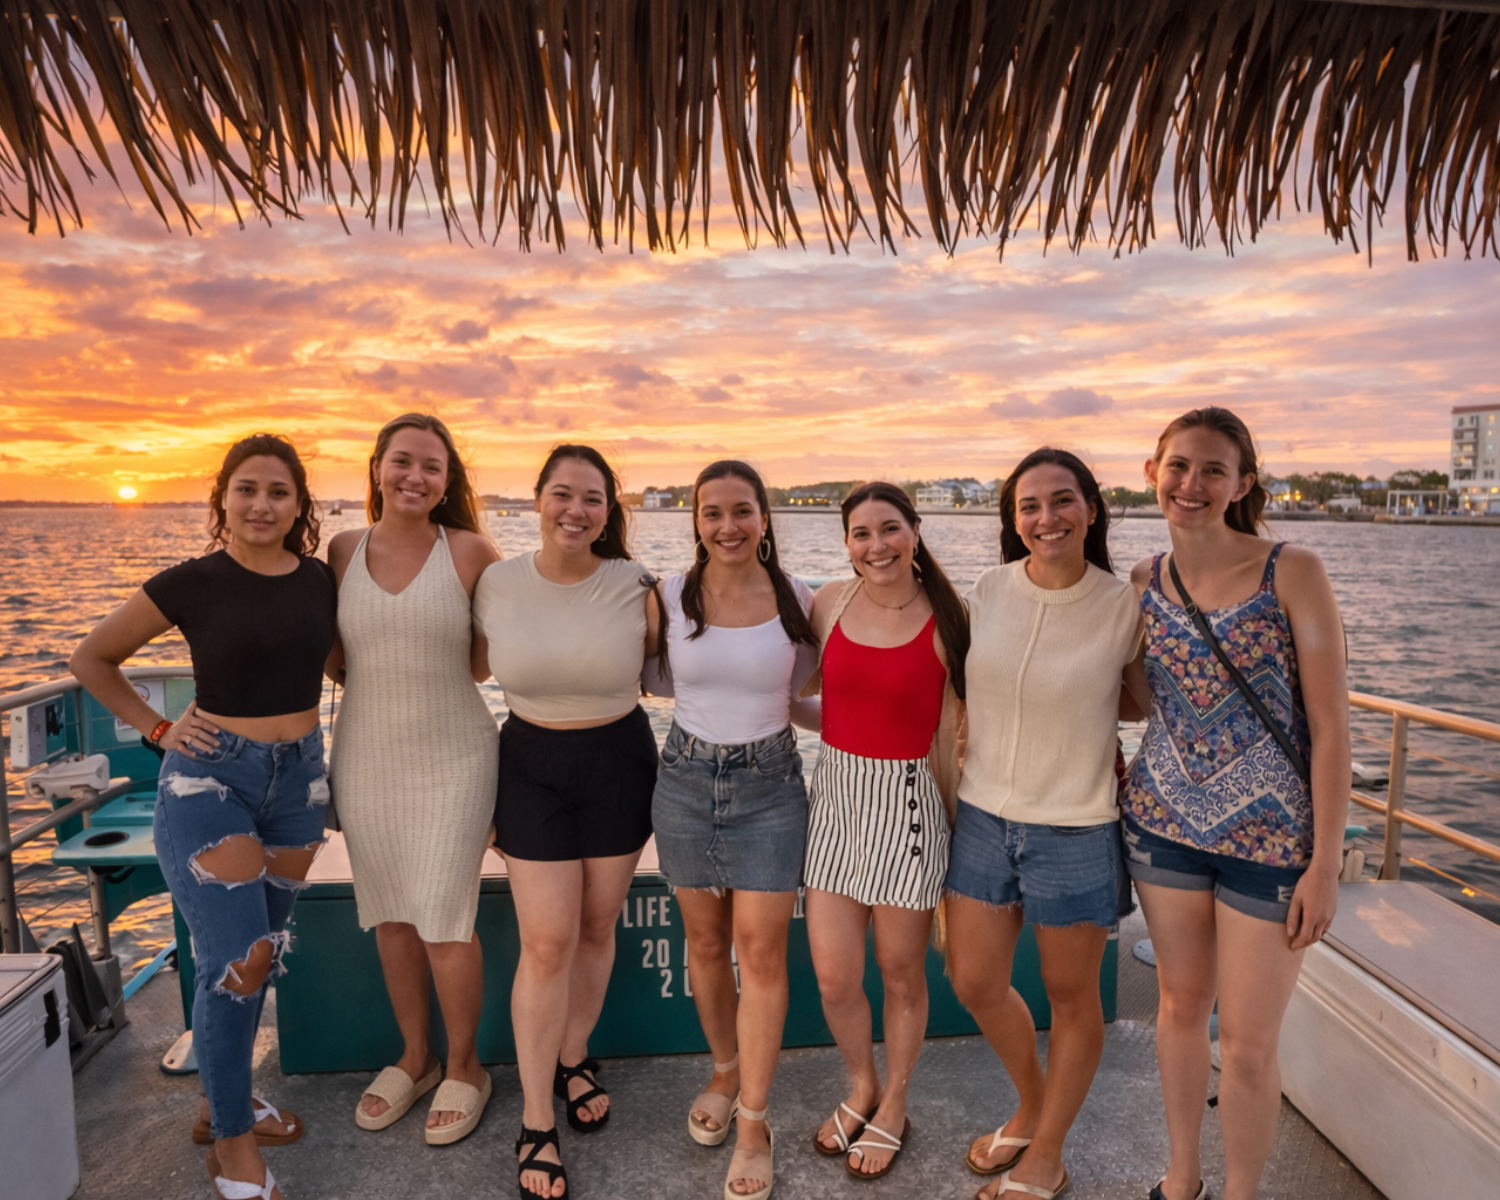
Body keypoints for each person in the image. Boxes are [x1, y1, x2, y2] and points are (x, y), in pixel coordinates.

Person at [70, 434, 336, 1200]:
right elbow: (92, 658)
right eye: (246, 489)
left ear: (299, 504)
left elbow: (350, 660)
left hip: (299, 782)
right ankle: (231, 1144)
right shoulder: (192, 581)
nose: (261, 504)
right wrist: (159, 729)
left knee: (261, 956)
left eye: (278, 492)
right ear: (221, 498)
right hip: (210, 782)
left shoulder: (320, 580)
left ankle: (222, 1102)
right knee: (239, 959)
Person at [1123, 407, 1349, 1200]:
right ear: (1153, 471)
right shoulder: (1145, 580)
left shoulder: (1292, 570)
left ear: (1243, 484)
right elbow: (1140, 700)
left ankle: (1242, 1192)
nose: (1192, 484)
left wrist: (1326, 864)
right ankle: (1181, 1179)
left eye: (1214, 470)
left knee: (1249, 1046)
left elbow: (1328, 727)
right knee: (1180, 1009)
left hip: (1273, 842)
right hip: (1163, 825)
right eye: (1178, 466)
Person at [944, 448, 1151, 1200]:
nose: (1045, 518)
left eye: (1062, 501)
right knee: (973, 979)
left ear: (1091, 509)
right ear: (1013, 520)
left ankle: (1048, 1149)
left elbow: (1138, 700)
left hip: (1075, 825)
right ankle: (1032, 1104)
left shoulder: (1124, 604)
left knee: (1072, 998)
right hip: (984, 816)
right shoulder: (988, 589)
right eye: (1028, 506)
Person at [473, 444, 663, 1200]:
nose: (575, 510)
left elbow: (676, 657)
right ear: (539, 499)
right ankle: (537, 1118)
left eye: (592, 498)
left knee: (595, 926)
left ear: (609, 511)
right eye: (562, 494)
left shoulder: (637, 585)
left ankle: (576, 1051)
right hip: (527, 762)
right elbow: (463, 667)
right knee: (546, 941)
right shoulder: (496, 582)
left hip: (618, 760)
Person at [644, 460, 819, 1200]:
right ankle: (723, 1067)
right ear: (695, 521)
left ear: (765, 517)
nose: (727, 526)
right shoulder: (666, 597)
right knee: (707, 943)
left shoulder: (800, 599)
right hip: (682, 779)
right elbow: (648, 679)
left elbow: (806, 695)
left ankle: (753, 1121)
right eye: (711, 513)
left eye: (741, 510)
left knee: (762, 953)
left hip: (772, 785)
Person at [326, 414, 501, 1144]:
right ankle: (416, 1056)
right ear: (376, 468)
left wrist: (421, 685)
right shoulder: (339, 550)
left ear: (447, 481)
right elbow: (335, 654)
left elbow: (485, 661)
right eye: (402, 462)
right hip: (364, 756)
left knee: (444, 919)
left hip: (455, 758)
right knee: (391, 914)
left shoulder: (470, 552)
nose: (415, 477)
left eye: (432, 467)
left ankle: (467, 1065)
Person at [801, 481, 969, 1180]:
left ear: (915, 531)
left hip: (908, 804)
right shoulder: (828, 603)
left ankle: (894, 1101)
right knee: (836, 976)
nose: (877, 545)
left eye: (890, 528)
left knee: (901, 974)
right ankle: (860, 1083)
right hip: (836, 795)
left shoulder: (949, 619)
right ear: (846, 543)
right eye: (862, 533)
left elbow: (961, 733)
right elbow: (807, 694)